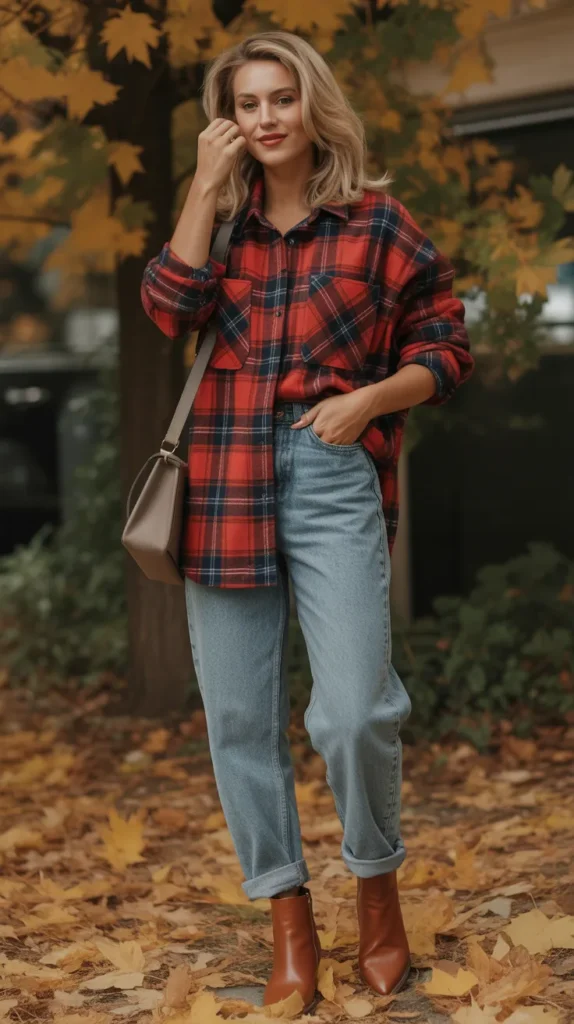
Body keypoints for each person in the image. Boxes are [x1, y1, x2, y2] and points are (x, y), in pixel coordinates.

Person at [141, 29, 474, 1016]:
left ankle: (377, 889)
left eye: (280, 97)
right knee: (239, 719)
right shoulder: (226, 220)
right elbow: (170, 308)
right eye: (246, 104)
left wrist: (373, 401)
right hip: (224, 477)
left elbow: (446, 346)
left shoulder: (377, 224)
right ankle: (288, 919)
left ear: (309, 103)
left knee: (353, 711)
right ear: (229, 120)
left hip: (332, 475)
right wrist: (202, 189)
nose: (266, 118)